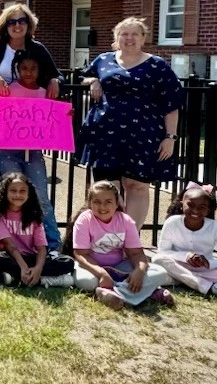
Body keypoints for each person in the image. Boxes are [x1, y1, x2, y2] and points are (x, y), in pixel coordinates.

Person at [78, 16, 184, 229]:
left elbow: (171, 104)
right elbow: (85, 76)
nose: (129, 38)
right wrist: (94, 81)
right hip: (105, 136)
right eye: (124, 34)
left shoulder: (157, 66)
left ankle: (130, 240)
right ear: (116, 38)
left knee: (137, 187)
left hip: (143, 137)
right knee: (106, 189)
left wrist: (170, 137)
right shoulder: (104, 60)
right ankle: (106, 238)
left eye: (135, 34)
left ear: (143, 38)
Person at [0, 4, 63, 187]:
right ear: (5, 25)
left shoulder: (37, 48)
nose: (17, 26)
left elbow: (56, 74)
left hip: (28, 120)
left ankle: (28, 214)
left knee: (30, 175)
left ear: (28, 23)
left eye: (22, 21)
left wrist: (55, 81)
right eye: (12, 22)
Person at [0, 51, 66, 251]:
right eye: (24, 68)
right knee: (10, 195)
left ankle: (53, 244)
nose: (29, 72)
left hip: (33, 152)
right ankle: (10, 242)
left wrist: (65, 116)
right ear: (17, 70)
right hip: (7, 150)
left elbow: (54, 121)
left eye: (33, 68)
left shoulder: (44, 92)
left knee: (40, 195)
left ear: (39, 70)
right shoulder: (8, 90)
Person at [69, 180, 173, 310]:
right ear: (90, 203)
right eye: (97, 202)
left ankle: (111, 293)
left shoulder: (125, 220)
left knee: (160, 272)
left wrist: (138, 272)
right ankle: (148, 292)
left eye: (108, 201)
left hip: (119, 267)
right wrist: (102, 274)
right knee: (87, 282)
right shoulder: (84, 220)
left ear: (117, 202)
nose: (102, 207)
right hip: (92, 268)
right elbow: (81, 254)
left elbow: (136, 253)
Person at [153, 183, 217, 302]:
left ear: (208, 210)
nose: (195, 211)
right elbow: (163, 252)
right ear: (181, 205)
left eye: (202, 207)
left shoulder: (214, 227)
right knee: (157, 259)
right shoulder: (172, 222)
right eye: (190, 205)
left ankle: (183, 280)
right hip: (178, 265)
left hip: (204, 270)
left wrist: (209, 263)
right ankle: (209, 287)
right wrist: (186, 256)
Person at [0, 172, 75, 287]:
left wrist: (37, 268)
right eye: (13, 190)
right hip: (12, 257)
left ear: (29, 194)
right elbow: (9, 245)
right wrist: (23, 267)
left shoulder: (34, 214)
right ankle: (45, 280)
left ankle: (18, 278)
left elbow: (41, 248)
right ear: (5, 192)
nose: (18, 195)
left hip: (32, 257)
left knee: (68, 262)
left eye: (22, 191)